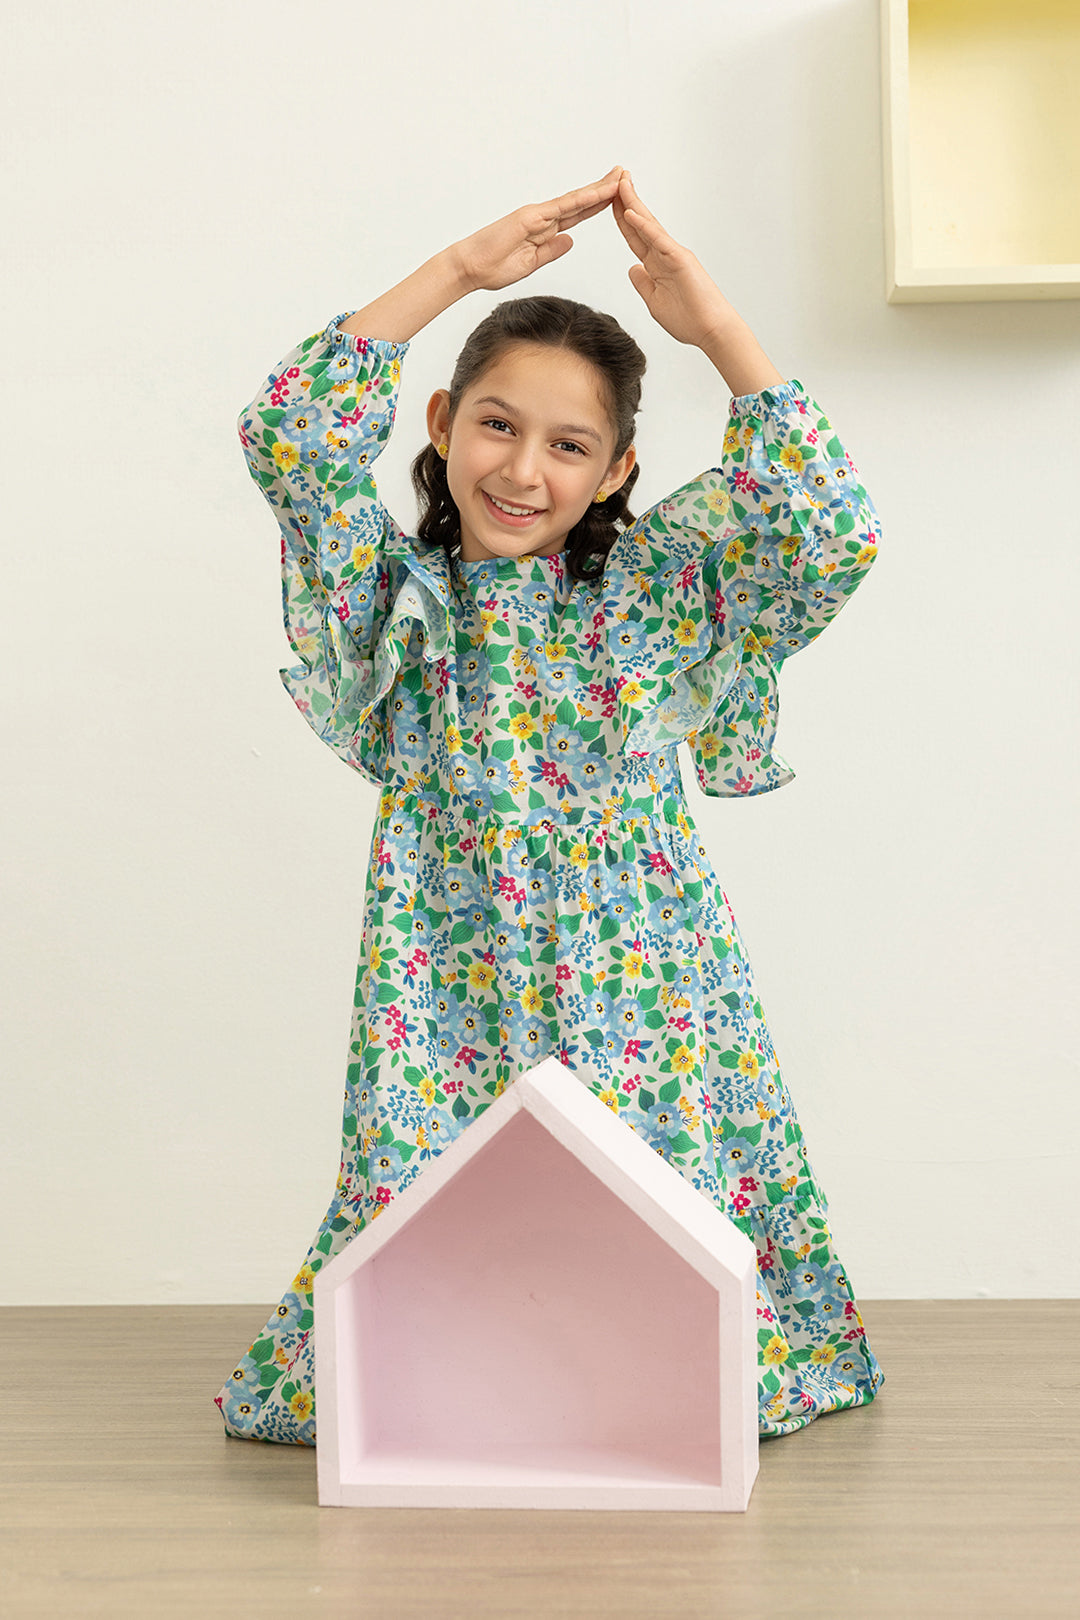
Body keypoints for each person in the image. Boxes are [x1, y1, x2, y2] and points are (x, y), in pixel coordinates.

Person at [216, 166, 884, 1446]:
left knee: (662, 1191)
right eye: (496, 426)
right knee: (428, 1195)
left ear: (618, 468)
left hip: (641, 972)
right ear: (442, 423)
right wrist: (458, 271)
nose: (524, 470)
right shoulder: (393, 599)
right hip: (441, 971)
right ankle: (462, 1382)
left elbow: (830, 531)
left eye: (570, 445)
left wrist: (716, 328)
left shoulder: (652, 596)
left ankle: (645, 1381)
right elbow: (289, 438)